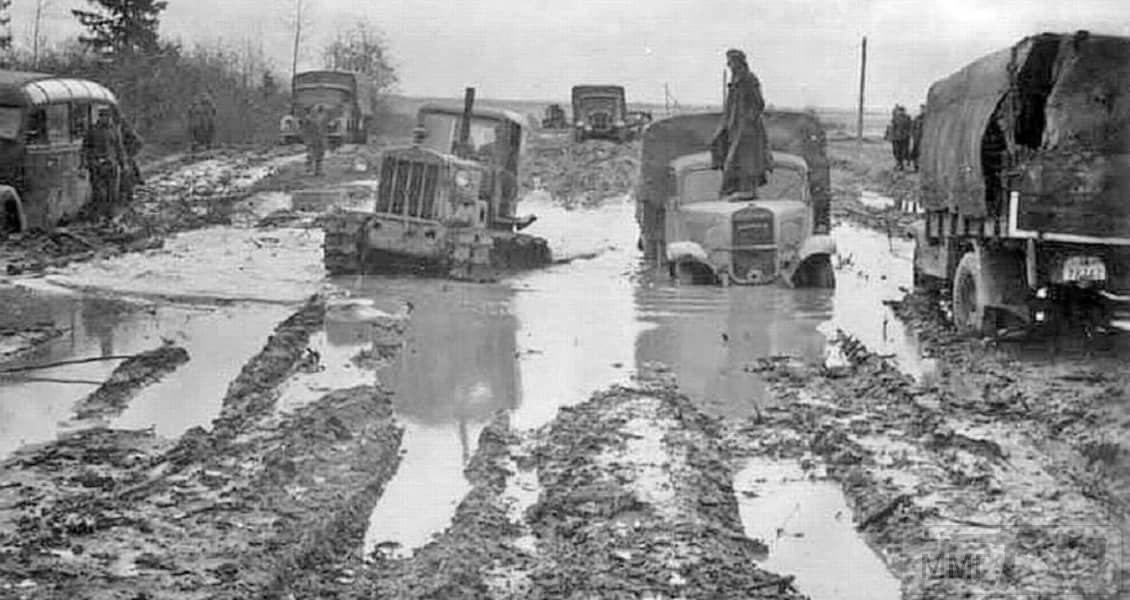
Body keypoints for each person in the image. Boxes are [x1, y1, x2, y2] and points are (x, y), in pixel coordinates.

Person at [711, 48, 772, 198]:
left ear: (739, 62)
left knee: (741, 162)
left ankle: (745, 191)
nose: (729, 65)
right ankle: (736, 191)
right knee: (721, 149)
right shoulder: (736, 80)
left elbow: (759, 103)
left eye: (731, 62)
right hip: (734, 126)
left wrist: (746, 122)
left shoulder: (749, 79)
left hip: (746, 130)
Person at [82, 106, 124, 219]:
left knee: (112, 191)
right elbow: (85, 147)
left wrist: (123, 163)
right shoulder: (92, 130)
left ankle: (110, 215)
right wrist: (88, 161)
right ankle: (99, 214)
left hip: (111, 164)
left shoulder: (114, 130)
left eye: (108, 116)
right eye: (103, 116)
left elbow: (119, 148)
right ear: (100, 117)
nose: (106, 119)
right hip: (97, 165)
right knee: (99, 192)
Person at [116, 109, 144, 206]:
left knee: (127, 173)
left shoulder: (123, 127)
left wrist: (128, 153)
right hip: (118, 152)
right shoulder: (114, 127)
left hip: (125, 152)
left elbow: (136, 141)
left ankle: (128, 196)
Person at [301, 104, 329, 176]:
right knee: (311, 154)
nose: (314, 111)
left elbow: (323, 128)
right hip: (312, 138)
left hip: (318, 138)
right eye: (313, 110)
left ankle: (317, 170)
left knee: (319, 155)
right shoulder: (309, 119)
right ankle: (310, 169)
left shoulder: (319, 117)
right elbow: (305, 129)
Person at [884, 104, 913, 170]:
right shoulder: (895, 118)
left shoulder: (907, 118)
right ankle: (899, 164)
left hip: (904, 138)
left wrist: (908, 134)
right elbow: (892, 127)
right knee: (896, 152)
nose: (901, 112)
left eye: (902, 111)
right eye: (900, 111)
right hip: (896, 138)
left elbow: (910, 127)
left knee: (903, 151)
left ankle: (902, 164)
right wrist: (890, 136)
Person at [909, 104, 926, 171]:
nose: (922, 111)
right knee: (916, 152)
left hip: (925, 139)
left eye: (924, 109)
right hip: (917, 138)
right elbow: (912, 128)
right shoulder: (917, 118)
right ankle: (916, 166)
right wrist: (913, 135)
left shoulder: (929, 118)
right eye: (921, 109)